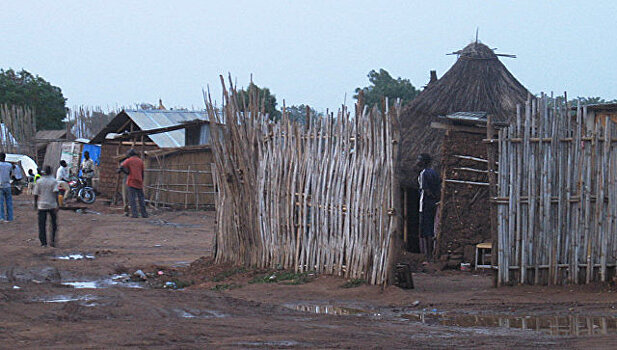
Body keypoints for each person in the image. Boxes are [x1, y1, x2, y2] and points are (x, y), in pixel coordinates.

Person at [417, 153, 441, 262]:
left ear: (424, 162)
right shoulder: (435, 173)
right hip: (433, 203)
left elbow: (425, 189)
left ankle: (428, 256)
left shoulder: (423, 173)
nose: (418, 162)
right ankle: (430, 254)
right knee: (431, 228)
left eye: (419, 160)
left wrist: (430, 196)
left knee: (426, 230)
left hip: (426, 203)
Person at [33, 165, 59, 247]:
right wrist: (58, 204)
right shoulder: (54, 181)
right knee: (53, 224)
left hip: (42, 205)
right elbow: (56, 193)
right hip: (52, 204)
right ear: (51, 172)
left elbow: (36, 194)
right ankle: (53, 241)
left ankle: (43, 242)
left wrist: (35, 204)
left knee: (42, 224)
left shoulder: (39, 181)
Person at [119, 149, 148, 218]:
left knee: (132, 199)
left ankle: (135, 214)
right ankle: (144, 214)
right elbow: (142, 172)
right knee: (141, 199)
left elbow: (122, 167)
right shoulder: (140, 161)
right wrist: (142, 180)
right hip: (139, 181)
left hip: (131, 181)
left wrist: (126, 172)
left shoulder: (129, 160)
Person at [0, 153, 14, 222]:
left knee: (1, 203)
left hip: (0, 185)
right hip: (8, 185)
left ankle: (2, 217)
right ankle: (10, 217)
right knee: (9, 202)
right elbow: (10, 174)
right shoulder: (9, 165)